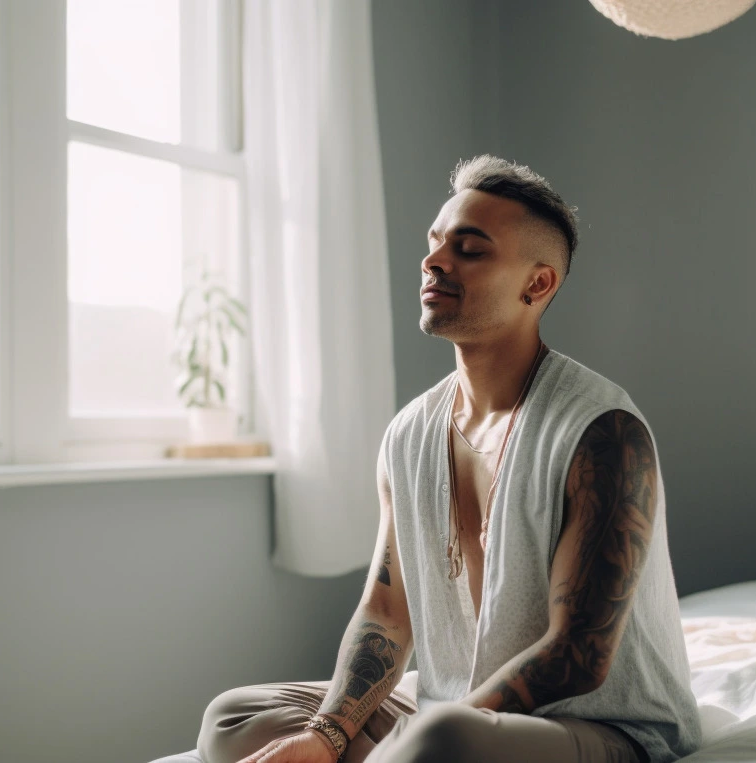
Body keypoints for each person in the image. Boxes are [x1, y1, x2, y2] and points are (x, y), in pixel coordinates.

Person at [198, 155, 701, 763]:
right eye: (436, 242)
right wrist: (326, 735)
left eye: (470, 249)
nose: (435, 261)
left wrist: (420, 738)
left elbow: (578, 656)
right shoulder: (409, 433)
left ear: (536, 285)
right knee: (236, 718)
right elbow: (386, 615)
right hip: (454, 716)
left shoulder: (602, 430)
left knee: (443, 740)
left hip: (601, 727)